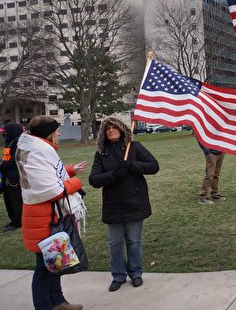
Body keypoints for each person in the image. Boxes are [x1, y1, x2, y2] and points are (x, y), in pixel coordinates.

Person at [16, 116, 87, 310]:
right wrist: (77, 183)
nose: (59, 133)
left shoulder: (36, 148)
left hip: (48, 216)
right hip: (42, 218)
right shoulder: (37, 151)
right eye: (56, 130)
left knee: (55, 264)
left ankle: (57, 302)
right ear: (48, 132)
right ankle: (44, 306)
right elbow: (52, 189)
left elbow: (47, 174)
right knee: (44, 268)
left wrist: (70, 170)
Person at [89, 117, 159, 292]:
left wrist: (132, 165)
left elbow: (153, 166)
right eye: (107, 128)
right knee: (115, 243)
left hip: (134, 202)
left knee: (134, 241)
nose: (111, 130)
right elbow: (94, 180)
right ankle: (118, 275)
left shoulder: (134, 147)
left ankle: (136, 273)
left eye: (114, 127)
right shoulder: (101, 153)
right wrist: (113, 175)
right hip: (113, 205)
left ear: (122, 129)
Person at [1, 123, 23, 232]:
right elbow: (6, 159)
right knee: (8, 199)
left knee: (15, 200)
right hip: (7, 175)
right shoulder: (8, 142)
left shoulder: (18, 142)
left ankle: (17, 222)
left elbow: (14, 160)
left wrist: (2, 165)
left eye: (5, 132)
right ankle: (13, 220)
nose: (4, 135)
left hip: (14, 177)